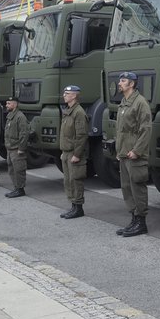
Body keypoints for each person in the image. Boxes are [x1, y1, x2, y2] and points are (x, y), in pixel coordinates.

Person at [114, 71, 152, 237]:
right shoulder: (124, 103)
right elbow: (121, 131)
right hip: (124, 154)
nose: (119, 83)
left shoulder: (140, 103)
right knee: (127, 188)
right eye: (120, 80)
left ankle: (141, 223)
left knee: (137, 187)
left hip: (135, 154)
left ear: (132, 84)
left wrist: (137, 150)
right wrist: (119, 150)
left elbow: (146, 130)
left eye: (123, 81)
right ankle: (134, 219)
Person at [59, 85, 88, 219]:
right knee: (68, 180)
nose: (64, 95)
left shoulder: (79, 112)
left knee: (76, 180)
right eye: (65, 93)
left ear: (74, 96)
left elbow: (81, 136)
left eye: (67, 93)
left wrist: (77, 154)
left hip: (74, 153)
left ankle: (78, 207)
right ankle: (73, 206)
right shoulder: (68, 111)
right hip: (67, 152)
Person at [3, 97, 28, 198]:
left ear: (15, 104)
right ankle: (16, 187)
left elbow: (24, 134)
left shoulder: (20, 117)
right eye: (7, 103)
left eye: (8, 103)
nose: (6, 105)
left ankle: (20, 189)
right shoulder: (10, 116)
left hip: (16, 148)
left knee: (19, 169)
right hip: (10, 147)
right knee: (11, 169)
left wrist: (21, 148)